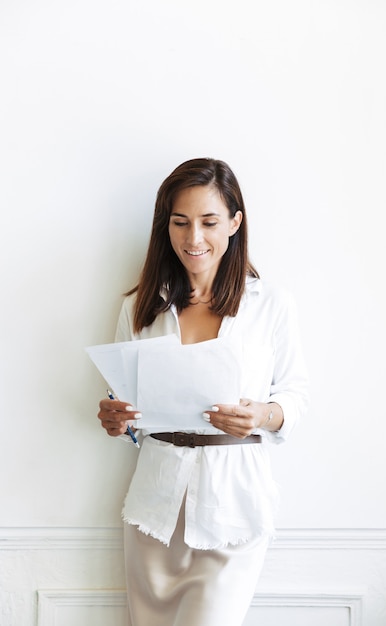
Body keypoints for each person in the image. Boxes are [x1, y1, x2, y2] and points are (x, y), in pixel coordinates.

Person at [97, 157, 309, 626]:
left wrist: (262, 415)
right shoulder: (139, 309)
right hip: (154, 509)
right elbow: (128, 411)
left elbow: (294, 397)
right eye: (180, 222)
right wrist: (118, 421)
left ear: (235, 222)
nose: (194, 238)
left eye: (209, 222)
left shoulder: (270, 305)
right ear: (164, 226)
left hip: (233, 509)